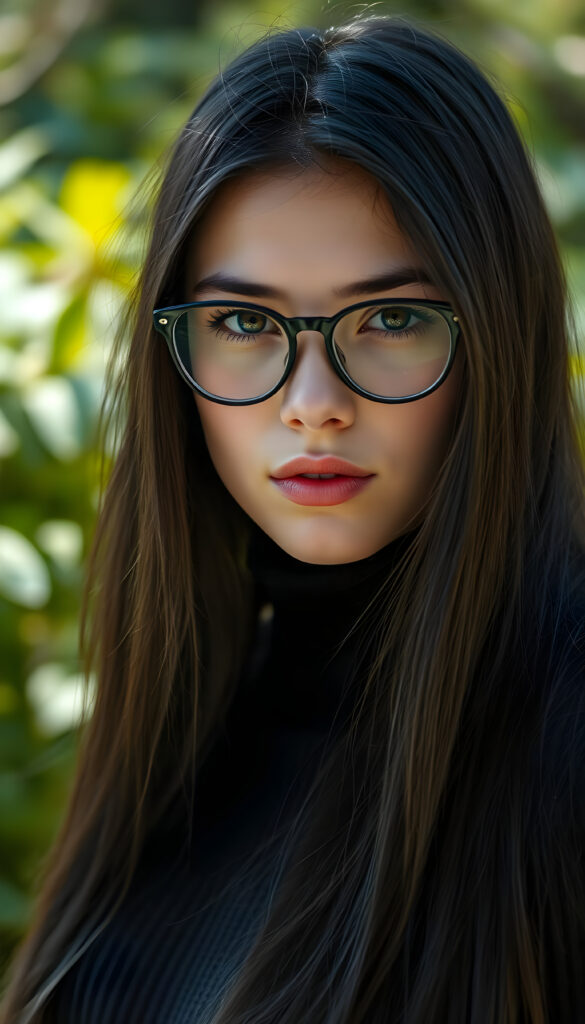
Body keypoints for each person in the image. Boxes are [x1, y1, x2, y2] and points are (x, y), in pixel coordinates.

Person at [2, 13, 585, 1024]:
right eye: (241, 322)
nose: (312, 400)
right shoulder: (186, 722)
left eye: (393, 318)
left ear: (500, 336)